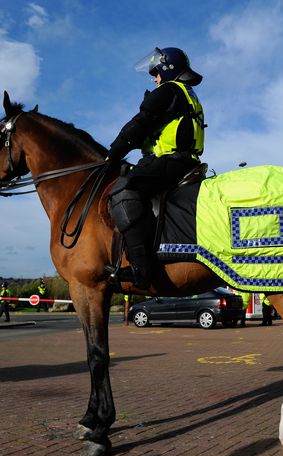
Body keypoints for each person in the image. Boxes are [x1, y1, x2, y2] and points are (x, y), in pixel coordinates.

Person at [104, 47, 205, 289]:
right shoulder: (185, 93)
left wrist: (113, 153)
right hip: (182, 160)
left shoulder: (168, 90)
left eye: (156, 72)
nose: (154, 78)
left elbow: (139, 125)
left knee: (124, 190)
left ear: (168, 70)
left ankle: (142, 269)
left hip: (171, 161)